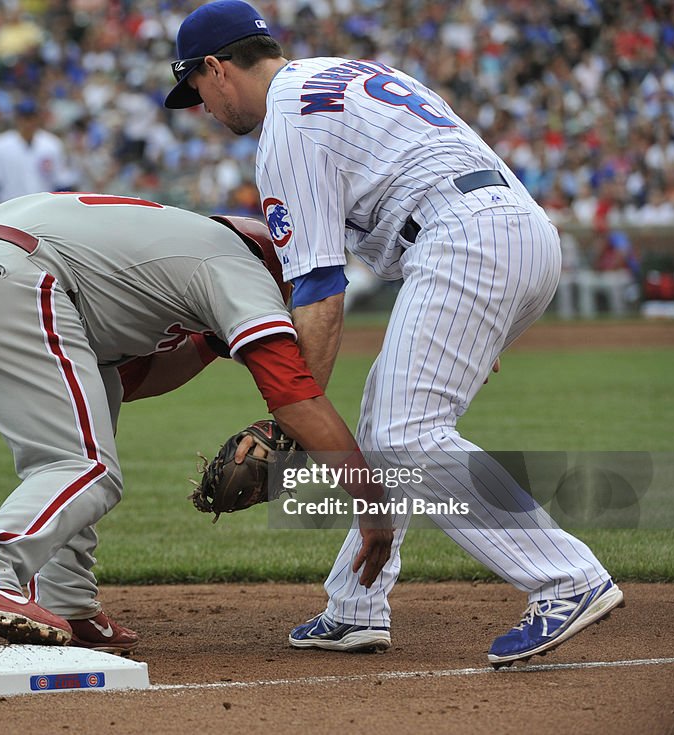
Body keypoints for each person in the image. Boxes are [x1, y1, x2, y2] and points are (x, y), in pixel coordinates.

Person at [165, 0, 622, 667]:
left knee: (406, 432)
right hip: (513, 230)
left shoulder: (285, 126)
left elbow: (320, 291)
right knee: (388, 423)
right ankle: (355, 604)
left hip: (462, 237)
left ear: (216, 67)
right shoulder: (343, 73)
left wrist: (288, 422)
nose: (202, 105)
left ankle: (565, 577)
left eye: (197, 89)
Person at [0, 191, 393, 654]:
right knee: (85, 467)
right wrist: (370, 501)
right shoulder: (238, 265)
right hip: (10, 278)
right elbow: (293, 396)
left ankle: (65, 602)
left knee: (86, 424)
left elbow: (136, 380)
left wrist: (210, 343)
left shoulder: (172, 246)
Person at [0, 100, 75, 210]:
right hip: (9, 208)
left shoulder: (51, 144)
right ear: (17, 119)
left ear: (37, 118)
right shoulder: (0, 144)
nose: (28, 122)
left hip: (43, 209)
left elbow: (61, 182)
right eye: (24, 118)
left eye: (31, 118)